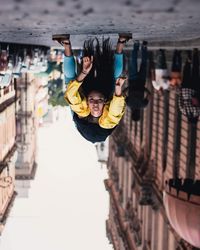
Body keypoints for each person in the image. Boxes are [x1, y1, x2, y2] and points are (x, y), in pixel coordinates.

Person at [53, 34, 131, 142]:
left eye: (91, 119)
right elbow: (115, 110)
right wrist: (118, 89)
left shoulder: (80, 111)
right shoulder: (108, 120)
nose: (95, 106)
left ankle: (66, 45)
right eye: (97, 118)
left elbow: (71, 94)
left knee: (70, 81)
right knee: (115, 77)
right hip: (105, 92)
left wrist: (84, 72)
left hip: (83, 94)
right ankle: (121, 43)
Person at [126, 40, 151, 121]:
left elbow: (149, 94)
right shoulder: (128, 104)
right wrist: (129, 88)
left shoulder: (143, 105)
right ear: (132, 114)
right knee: (133, 62)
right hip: (132, 80)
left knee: (144, 63)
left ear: (139, 114)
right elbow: (123, 94)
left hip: (141, 81)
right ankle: (136, 45)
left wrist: (144, 89)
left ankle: (144, 47)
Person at [178, 49, 200, 123]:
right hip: (185, 90)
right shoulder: (184, 112)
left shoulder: (197, 112)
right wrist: (181, 91)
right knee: (186, 72)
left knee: (195, 71)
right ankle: (188, 59)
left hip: (194, 90)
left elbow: (197, 101)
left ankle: (195, 54)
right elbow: (180, 101)